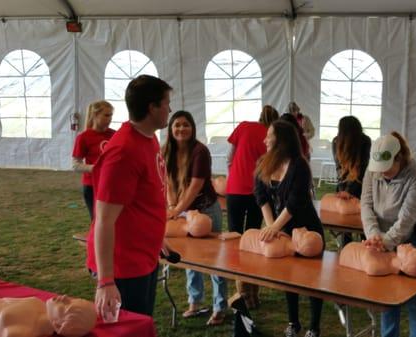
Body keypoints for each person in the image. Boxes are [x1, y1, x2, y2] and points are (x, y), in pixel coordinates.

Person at [87, 75, 172, 319]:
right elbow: (104, 219)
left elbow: (146, 198)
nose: (170, 109)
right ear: (152, 107)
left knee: (142, 323)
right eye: (166, 103)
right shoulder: (123, 152)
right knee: (129, 328)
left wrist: (157, 239)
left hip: (144, 254)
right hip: (124, 265)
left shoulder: (149, 137)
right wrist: (106, 281)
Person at [254, 120, 325, 337]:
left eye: (269, 135)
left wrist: (275, 226)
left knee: (313, 281)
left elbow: (294, 204)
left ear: (281, 140)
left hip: (307, 231)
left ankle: (314, 327)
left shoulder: (299, 166)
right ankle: (293, 323)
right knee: (288, 277)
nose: (265, 139)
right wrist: (270, 226)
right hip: (281, 230)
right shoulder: (263, 163)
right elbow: (262, 197)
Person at [361, 132, 416, 337]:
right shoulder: (373, 170)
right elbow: (365, 205)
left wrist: (385, 241)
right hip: (381, 236)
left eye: (387, 169)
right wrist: (374, 235)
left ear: (399, 158)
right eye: (379, 170)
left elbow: (407, 218)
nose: (382, 173)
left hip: (413, 234)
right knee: (388, 295)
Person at [162, 110, 227, 325]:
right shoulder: (166, 151)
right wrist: (173, 207)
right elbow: (169, 182)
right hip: (183, 211)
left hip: (206, 209)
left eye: (186, 125)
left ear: (193, 128)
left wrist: (176, 209)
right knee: (189, 257)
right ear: (171, 129)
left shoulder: (200, 151)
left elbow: (195, 186)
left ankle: (220, 307)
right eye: (177, 125)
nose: (181, 129)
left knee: (215, 260)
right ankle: (195, 302)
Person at [226, 104, 279, 309]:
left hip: (235, 188)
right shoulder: (271, 135)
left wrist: (233, 171)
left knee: (236, 239)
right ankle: (253, 293)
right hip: (258, 190)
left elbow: (231, 156)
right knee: (254, 240)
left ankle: (241, 293)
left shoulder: (244, 127)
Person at [72, 100, 115, 219]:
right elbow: (76, 165)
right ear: (95, 115)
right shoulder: (84, 137)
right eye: (106, 115)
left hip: (111, 184)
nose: (110, 118)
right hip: (92, 186)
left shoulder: (115, 135)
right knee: (98, 221)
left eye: (111, 115)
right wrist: (96, 168)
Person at [331, 115, 371, 244]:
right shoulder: (336, 142)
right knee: (344, 221)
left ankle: (367, 246)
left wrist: (350, 191)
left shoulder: (365, 141)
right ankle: (346, 248)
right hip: (344, 187)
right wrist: (343, 190)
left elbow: (362, 168)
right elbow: (339, 168)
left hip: (361, 187)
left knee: (363, 220)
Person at [0, 295, 96, 337]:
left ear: (61, 326)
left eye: (66, 306)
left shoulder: (23, 331)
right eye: (72, 299)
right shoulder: (37, 303)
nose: (65, 297)